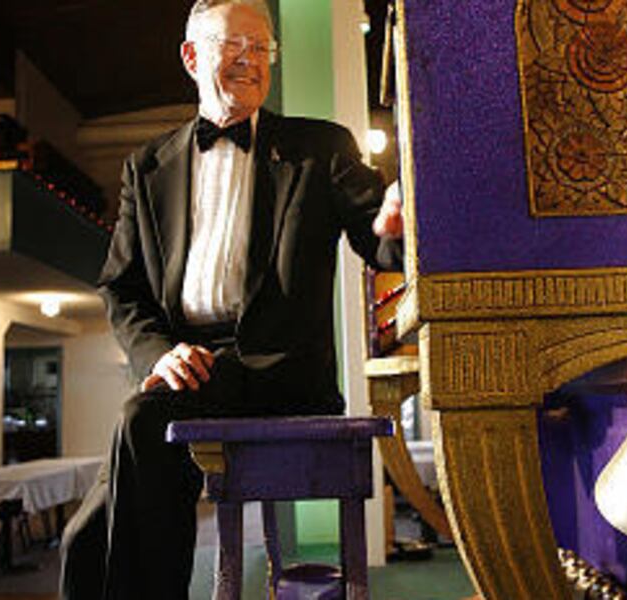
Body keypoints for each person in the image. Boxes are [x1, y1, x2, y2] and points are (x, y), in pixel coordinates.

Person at [59, 0, 403, 598]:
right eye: (233, 44)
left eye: (261, 47)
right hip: (189, 367)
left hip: (281, 373)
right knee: (82, 541)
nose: (251, 59)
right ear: (192, 57)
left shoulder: (321, 147)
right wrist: (157, 355)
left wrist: (398, 225)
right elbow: (122, 285)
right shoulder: (147, 166)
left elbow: (378, 238)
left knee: (141, 421)